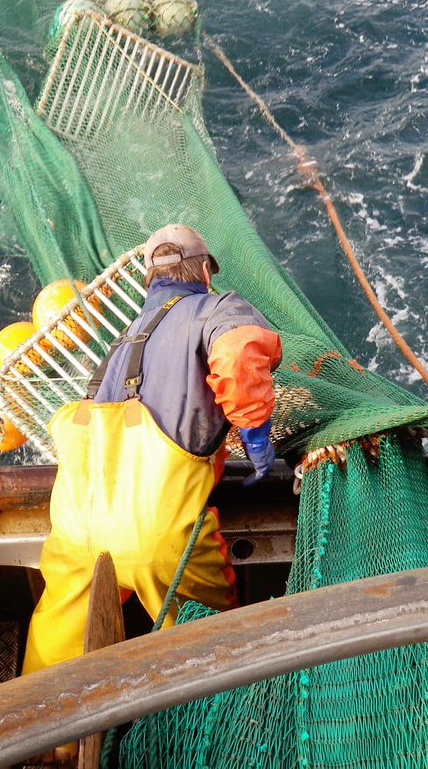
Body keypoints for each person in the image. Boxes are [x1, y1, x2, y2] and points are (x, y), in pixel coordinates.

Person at [22, 223, 282, 672]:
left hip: (76, 531)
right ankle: (205, 731)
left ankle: (39, 737)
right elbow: (239, 357)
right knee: (210, 650)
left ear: (148, 281)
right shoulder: (215, 308)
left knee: (53, 658)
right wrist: (256, 440)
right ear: (204, 270)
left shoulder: (121, 342)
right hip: (158, 538)